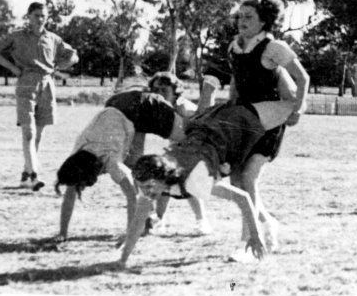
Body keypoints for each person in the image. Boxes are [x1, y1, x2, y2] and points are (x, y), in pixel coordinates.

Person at [117, 98, 297, 267]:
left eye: (148, 187)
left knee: (294, 106)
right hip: (209, 128)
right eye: (143, 188)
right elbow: (137, 223)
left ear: (163, 177)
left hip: (234, 124)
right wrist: (122, 260)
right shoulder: (153, 181)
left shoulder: (195, 180)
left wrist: (255, 237)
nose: (146, 193)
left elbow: (242, 198)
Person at [225, 0, 309, 259]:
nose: (242, 21)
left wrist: (297, 109)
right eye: (240, 16)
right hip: (245, 118)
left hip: (271, 118)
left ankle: (249, 243)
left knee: (248, 177)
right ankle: (267, 222)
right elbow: (236, 82)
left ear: (264, 21)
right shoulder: (235, 47)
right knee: (236, 179)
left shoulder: (274, 47)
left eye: (249, 16)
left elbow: (302, 77)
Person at [54, 84, 189, 240]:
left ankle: (208, 95)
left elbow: (132, 197)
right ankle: (150, 219)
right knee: (138, 168)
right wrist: (62, 233)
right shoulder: (78, 156)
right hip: (117, 104)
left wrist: (129, 235)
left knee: (191, 135)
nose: (80, 187)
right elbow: (70, 192)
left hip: (141, 107)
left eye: (82, 185)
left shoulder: (112, 162)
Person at [0, 1, 78, 191]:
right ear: (28, 16)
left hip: (47, 84)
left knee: (38, 134)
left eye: (43, 15)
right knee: (29, 132)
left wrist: (60, 65)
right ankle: (34, 174)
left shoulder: (53, 38)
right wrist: (11, 68)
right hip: (26, 82)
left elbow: (73, 55)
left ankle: (26, 174)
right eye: (36, 15)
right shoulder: (17, 36)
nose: (40, 19)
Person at [137, 71, 213, 236]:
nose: (159, 94)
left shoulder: (185, 108)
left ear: (175, 92)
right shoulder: (159, 106)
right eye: (156, 90)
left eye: (164, 90)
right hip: (176, 149)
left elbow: (203, 122)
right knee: (163, 181)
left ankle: (202, 221)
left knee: (189, 185)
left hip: (195, 149)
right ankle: (159, 221)